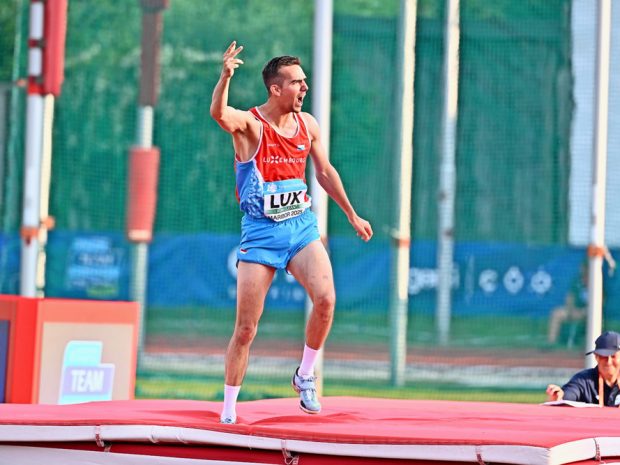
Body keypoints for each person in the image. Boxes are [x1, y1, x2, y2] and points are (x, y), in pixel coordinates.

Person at [210, 41, 373, 424]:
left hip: (300, 228)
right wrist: (225, 77)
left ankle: (305, 375)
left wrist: (351, 214)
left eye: (304, 81)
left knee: (326, 300)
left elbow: (325, 172)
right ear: (275, 88)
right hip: (261, 233)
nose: (305, 88)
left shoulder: (307, 124)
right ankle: (229, 409)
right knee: (246, 328)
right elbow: (219, 114)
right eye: (297, 82)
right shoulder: (251, 125)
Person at [546, 330, 620, 407]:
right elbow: (569, 394)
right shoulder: (583, 380)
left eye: (613, 356)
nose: (609, 362)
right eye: (604, 356)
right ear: (596, 357)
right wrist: (559, 397)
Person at [547, 264, 588, 345]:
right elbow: (570, 297)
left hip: (588, 312)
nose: (582, 270)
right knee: (556, 313)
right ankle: (551, 342)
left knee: (589, 313)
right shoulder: (577, 281)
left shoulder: (597, 281)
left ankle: (588, 343)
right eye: (582, 268)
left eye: (585, 268)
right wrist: (571, 309)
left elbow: (601, 300)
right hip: (574, 310)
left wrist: (585, 310)